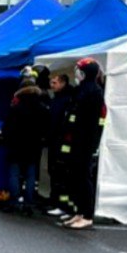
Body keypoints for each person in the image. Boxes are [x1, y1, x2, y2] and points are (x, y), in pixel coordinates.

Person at [60, 58, 106, 230]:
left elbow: (93, 122)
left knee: (84, 178)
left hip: (85, 143)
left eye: (79, 70)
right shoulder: (81, 90)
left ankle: (87, 215)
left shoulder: (94, 92)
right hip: (75, 140)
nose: (77, 73)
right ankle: (79, 211)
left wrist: (91, 145)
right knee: (74, 177)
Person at [0, 70, 50, 214]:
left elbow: (6, 128)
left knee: (14, 174)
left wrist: (7, 139)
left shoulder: (16, 108)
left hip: (16, 145)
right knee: (30, 175)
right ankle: (28, 203)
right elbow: (46, 128)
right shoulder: (43, 108)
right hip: (34, 146)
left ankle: (14, 202)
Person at [44, 70, 76, 217]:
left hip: (60, 142)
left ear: (63, 83)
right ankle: (55, 201)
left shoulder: (66, 100)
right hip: (54, 141)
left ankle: (60, 204)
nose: (52, 85)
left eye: (55, 82)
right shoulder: (57, 98)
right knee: (53, 172)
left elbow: (59, 122)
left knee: (60, 174)